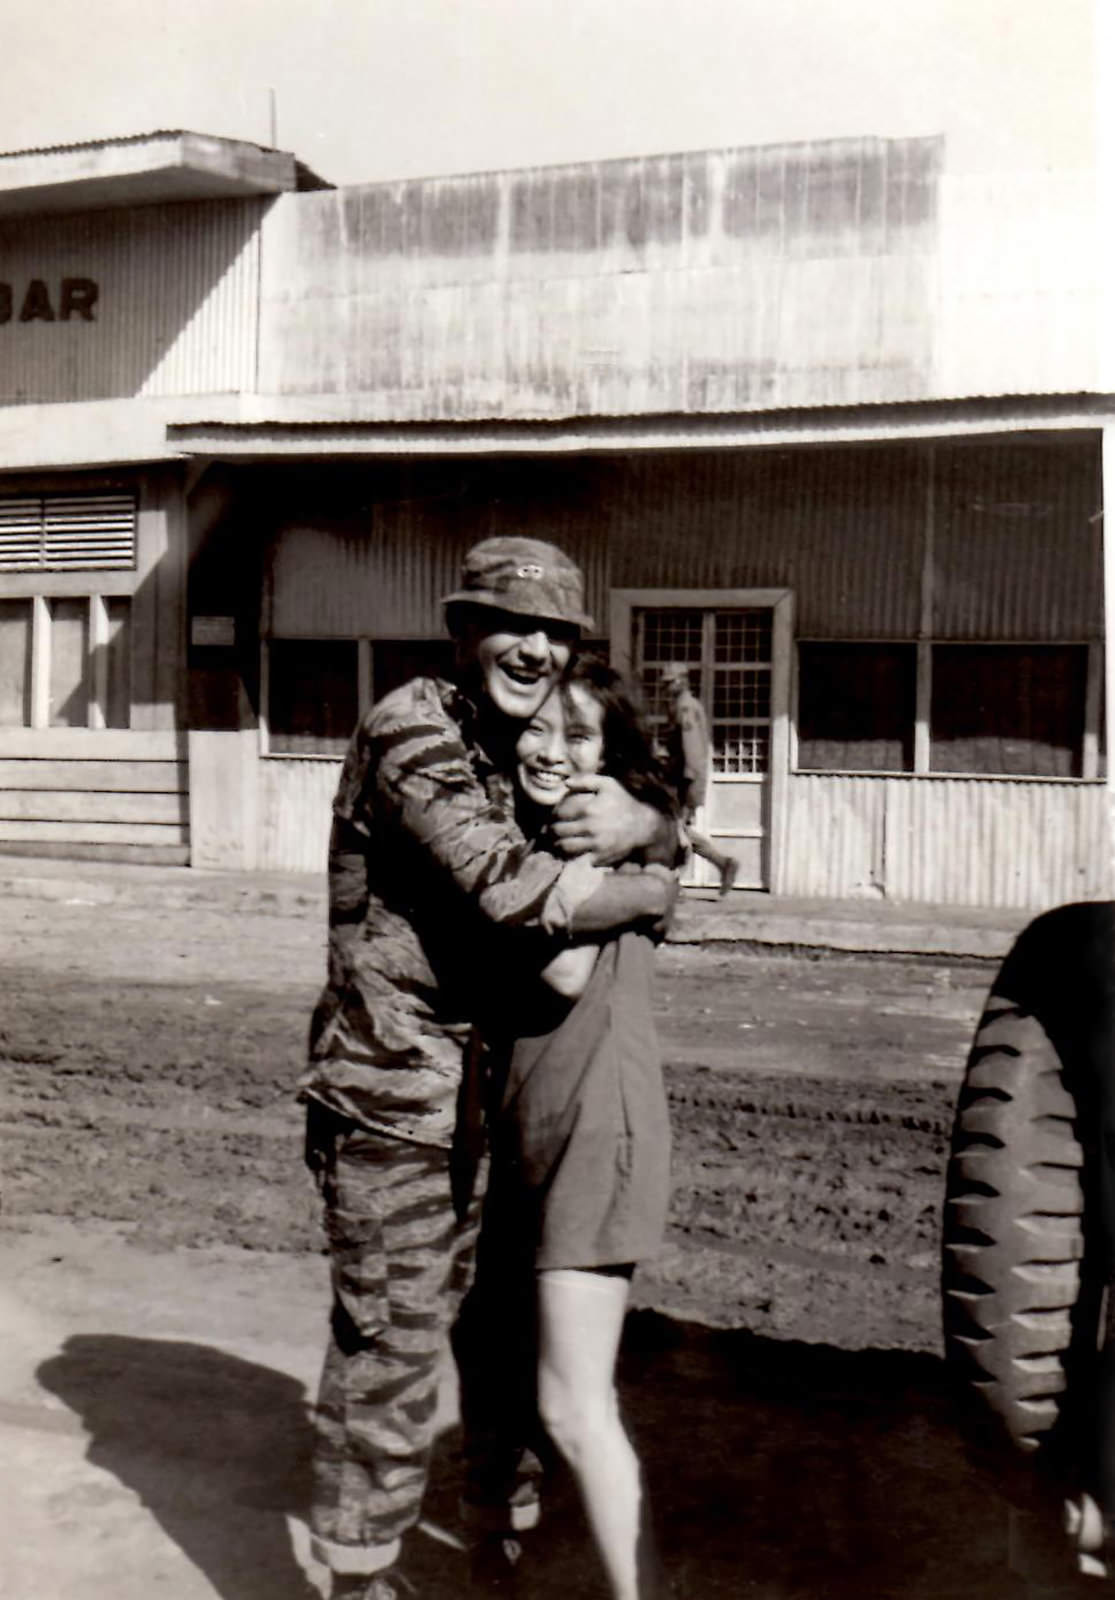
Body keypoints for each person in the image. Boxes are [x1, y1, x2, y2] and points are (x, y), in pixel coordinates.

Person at [299, 537, 678, 1600]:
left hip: (484, 1101)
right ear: (461, 631)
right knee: (389, 1349)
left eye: (554, 631)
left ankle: (493, 1533)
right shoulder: (414, 729)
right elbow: (517, 890)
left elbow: (630, 816)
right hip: (391, 1102)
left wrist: (652, 826)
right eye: (509, 624)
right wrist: (655, 888)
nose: (534, 648)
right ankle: (359, 1579)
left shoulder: (517, 744)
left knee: (492, 1339)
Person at [468, 656, 676, 1600]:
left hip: (594, 1130)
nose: (549, 750)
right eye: (539, 728)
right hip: (544, 1125)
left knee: (572, 1405)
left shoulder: (595, 836)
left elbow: (559, 975)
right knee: (518, 1371)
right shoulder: (599, 836)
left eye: (578, 734)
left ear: (614, 757)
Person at [659, 662, 738, 898]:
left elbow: (692, 750)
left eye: (669, 682)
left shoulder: (686, 708)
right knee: (676, 830)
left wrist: (688, 785)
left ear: (682, 681)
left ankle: (675, 884)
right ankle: (723, 864)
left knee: (675, 832)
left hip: (683, 780)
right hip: (678, 778)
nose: (665, 688)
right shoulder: (679, 706)